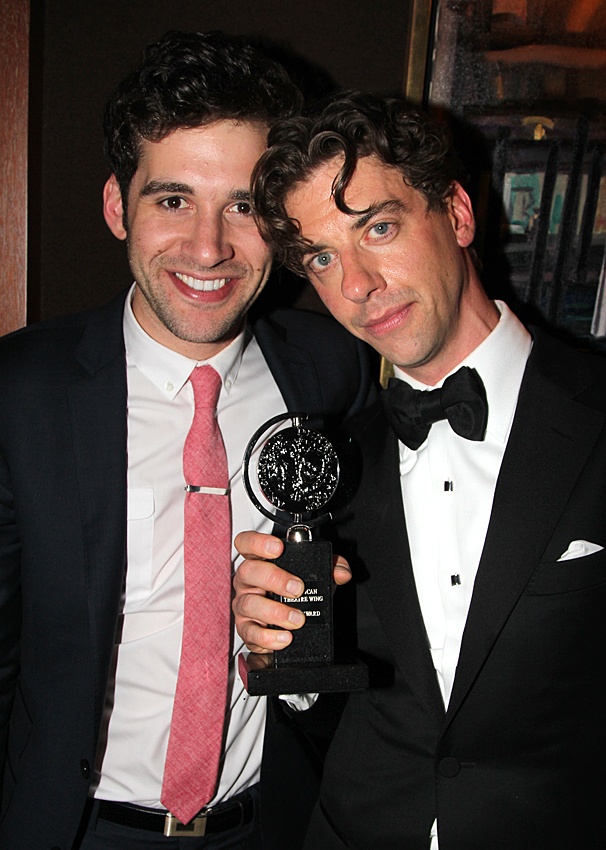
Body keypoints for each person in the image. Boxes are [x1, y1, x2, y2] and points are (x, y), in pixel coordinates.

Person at [0, 38, 376, 850]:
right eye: (172, 200)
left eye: (242, 206)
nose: (208, 248)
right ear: (116, 205)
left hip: (269, 824)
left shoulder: (335, 368)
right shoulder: (20, 392)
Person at [233, 91, 606, 849]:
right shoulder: (330, 468)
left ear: (458, 215)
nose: (357, 284)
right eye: (323, 257)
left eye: (378, 227)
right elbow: (327, 716)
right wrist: (287, 659)